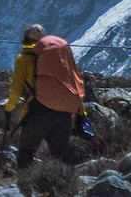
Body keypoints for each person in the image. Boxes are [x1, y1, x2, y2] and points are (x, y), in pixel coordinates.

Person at [6, 25, 85, 171]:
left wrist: (9, 108)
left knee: (26, 153)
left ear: (25, 39)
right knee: (61, 154)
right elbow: (74, 85)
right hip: (64, 113)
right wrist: (81, 112)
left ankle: (24, 182)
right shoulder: (60, 59)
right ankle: (66, 182)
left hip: (38, 111)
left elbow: (16, 90)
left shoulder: (23, 59)